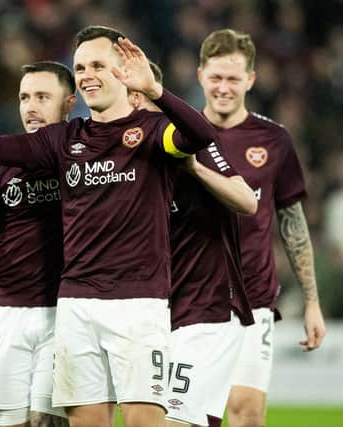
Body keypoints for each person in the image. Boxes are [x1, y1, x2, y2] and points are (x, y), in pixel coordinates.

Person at [0, 25, 217, 427]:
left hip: (138, 304)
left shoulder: (150, 132)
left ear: (123, 71)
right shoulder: (64, 139)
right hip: (76, 307)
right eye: (80, 66)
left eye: (97, 64)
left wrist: (157, 91)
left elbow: (201, 135)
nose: (88, 73)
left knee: (146, 422)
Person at [194, 29, 327, 427]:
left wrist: (312, 301)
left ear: (251, 79)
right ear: (200, 75)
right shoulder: (175, 135)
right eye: (216, 77)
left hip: (253, 298)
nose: (223, 87)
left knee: (247, 415)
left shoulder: (274, 139)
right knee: (193, 415)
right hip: (189, 298)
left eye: (233, 78)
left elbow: (292, 221)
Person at [131, 63, 257, 427]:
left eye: (137, 96)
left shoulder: (191, 143)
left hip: (209, 306)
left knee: (173, 421)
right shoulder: (133, 158)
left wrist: (196, 170)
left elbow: (248, 202)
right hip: (161, 313)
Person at [0, 61, 75, 427]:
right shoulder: (1, 165)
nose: (31, 106)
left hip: (64, 312)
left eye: (43, 96)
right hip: (6, 311)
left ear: (69, 102)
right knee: (9, 424)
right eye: (24, 97)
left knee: (47, 421)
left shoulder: (84, 158)